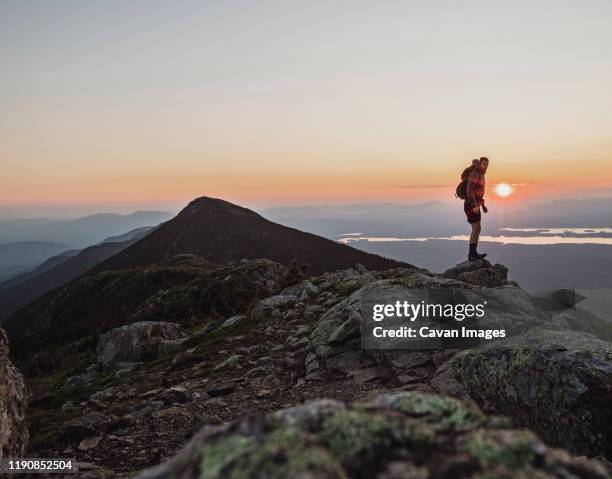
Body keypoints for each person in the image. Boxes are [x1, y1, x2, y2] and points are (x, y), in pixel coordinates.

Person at [464, 156, 489, 261]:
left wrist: (482, 205)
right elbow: (469, 190)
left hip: (476, 205)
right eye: (484, 164)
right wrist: (474, 205)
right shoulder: (475, 173)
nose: (486, 166)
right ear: (480, 163)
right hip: (471, 205)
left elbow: (479, 193)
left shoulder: (481, 175)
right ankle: (471, 255)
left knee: (477, 229)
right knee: (476, 228)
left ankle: (473, 253)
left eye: (487, 165)